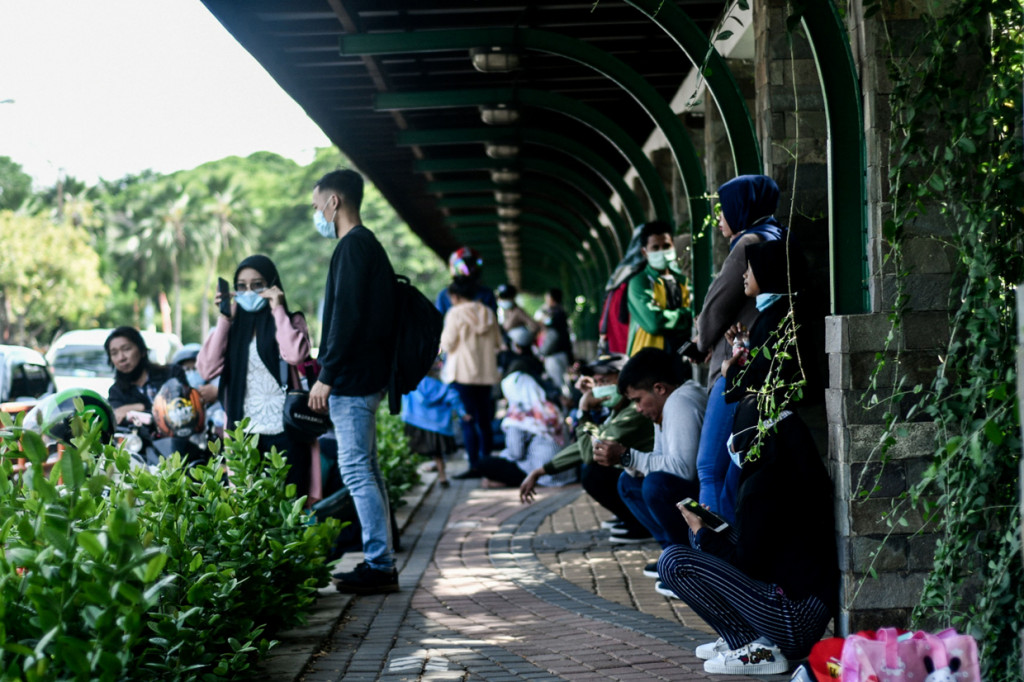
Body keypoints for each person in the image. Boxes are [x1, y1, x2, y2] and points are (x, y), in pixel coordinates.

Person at [658, 395, 839, 676]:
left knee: (674, 561)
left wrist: (704, 535)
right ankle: (751, 640)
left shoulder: (763, 485)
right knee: (699, 538)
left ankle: (752, 645)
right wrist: (708, 530)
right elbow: (762, 547)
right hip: (803, 605)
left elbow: (747, 564)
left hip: (795, 622)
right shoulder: (798, 470)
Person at [307, 168, 399, 594]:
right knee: (368, 469)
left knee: (356, 470)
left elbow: (345, 319)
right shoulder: (369, 246)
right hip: (367, 376)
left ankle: (379, 565)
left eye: (317, 206)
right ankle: (380, 558)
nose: (317, 214)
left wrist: (326, 375)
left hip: (352, 380)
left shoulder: (352, 247)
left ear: (334, 202)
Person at [693, 175, 787, 525]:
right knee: (733, 473)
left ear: (740, 207)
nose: (719, 219)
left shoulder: (748, 241)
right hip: (758, 365)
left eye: (723, 210)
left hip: (735, 366)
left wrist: (701, 342)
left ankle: (710, 566)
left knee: (709, 469)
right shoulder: (778, 234)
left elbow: (716, 306)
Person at [196, 254, 314, 498]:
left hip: (286, 431)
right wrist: (224, 318)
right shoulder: (232, 326)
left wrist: (278, 309)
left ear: (273, 285)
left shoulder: (292, 320)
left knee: (290, 507)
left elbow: (295, 355)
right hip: (243, 433)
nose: (248, 292)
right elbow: (206, 369)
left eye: (257, 285)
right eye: (241, 286)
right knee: (249, 509)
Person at [519, 354, 654, 545]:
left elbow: (590, 453)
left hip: (651, 476)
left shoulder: (634, 410)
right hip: (641, 473)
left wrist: (584, 411)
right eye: (596, 382)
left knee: (594, 473)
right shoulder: (619, 409)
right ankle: (632, 518)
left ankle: (641, 524)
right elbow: (587, 444)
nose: (599, 388)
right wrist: (541, 471)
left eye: (606, 381)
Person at [593, 348, 707, 551]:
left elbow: (683, 471)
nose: (637, 408)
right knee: (628, 482)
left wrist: (627, 456)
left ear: (659, 389)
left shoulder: (680, 402)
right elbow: (660, 458)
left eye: (638, 400)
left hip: (706, 503)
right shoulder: (664, 407)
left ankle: (687, 557)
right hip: (692, 496)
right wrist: (627, 460)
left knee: (655, 485)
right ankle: (672, 552)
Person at [439, 276, 502, 480]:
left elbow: (447, 344)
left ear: (455, 296)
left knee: (467, 421)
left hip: (462, 375)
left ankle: (474, 465)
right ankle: (488, 464)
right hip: (485, 375)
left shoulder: (455, 313)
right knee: (485, 421)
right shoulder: (488, 312)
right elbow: (497, 343)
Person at [476, 371, 576, 489]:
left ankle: (507, 482)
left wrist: (501, 454)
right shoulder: (551, 407)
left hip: (541, 473)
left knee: (483, 463)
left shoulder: (517, 415)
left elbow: (516, 453)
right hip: (567, 471)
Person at [625, 221, 692, 357]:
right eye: (655, 248)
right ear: (644, 251)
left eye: (666, 246)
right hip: (647, 358)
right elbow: (654, 323)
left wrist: (664, 314)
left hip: (680, 356)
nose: (661, 251)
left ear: (673, 245)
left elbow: (697, 314)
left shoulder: (682, 280)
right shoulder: (639, 281)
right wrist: (685, 314)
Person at [105, 326, 188, 427]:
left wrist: (139, 407)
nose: (121, 358)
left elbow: (181, 405)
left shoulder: (171, 374)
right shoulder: (116, 392)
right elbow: (118, 416)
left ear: (142, 350)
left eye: (126, 349)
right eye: (114, 353)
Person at [401, 360, 464, 489]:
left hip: (414, 421)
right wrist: (462, 413)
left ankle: (410, 479)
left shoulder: (409, 383)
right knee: (437, 454)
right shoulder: (437, 384)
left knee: (410, 451)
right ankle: (443, 477)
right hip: (437, 425)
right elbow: (453, 396)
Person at [434, 247, 497, 315]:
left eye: (472, 266)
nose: (469, 271)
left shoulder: (486, 293)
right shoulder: (444, 295)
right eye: (464, 267)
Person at [537, 288, 574, 392]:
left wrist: (542, 352)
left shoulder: (554, 314)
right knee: (564, 382)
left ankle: (564, 405)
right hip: (563, 352)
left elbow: (552, 336)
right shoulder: (561, 312)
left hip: (555, 354)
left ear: (552, 299)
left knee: (558, 384)